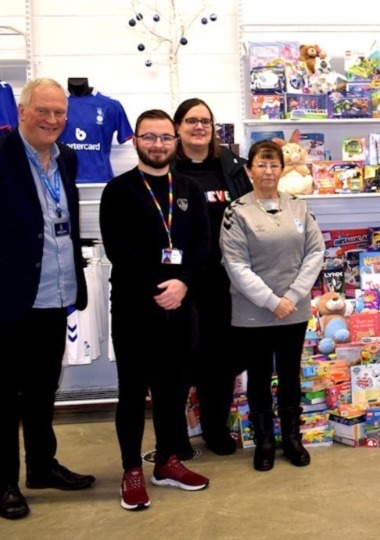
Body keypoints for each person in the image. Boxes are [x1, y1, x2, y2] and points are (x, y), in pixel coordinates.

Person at [100, 109, 211, 511]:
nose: (158, 144)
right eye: (150, 137)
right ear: (135, 140)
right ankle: (132, 469)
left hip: (181, 306)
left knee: (174, 389)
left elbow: (202, 246)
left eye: (165, 137)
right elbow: (119, 251)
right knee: (132, 392)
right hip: (135, 308)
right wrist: (158, 288)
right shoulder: (119, 191)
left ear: (175, 142)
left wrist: (183, 284)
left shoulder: (189, 189)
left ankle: (167, 461)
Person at [0, 78, 95, 521]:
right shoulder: (2, 158)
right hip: (10, 298)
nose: (53, 120)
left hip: (56, 294)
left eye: (60, 113)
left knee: (42, 390)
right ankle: (4, 484)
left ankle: (41, 467)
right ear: (22, 111)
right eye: (44, 111)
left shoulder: (67, 160)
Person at [220, 140, 325, 472]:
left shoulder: (300, 208)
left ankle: (293, 439)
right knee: (260, 377)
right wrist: (270, 301)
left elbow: (315, 253)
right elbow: (235, 265)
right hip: (254, 313)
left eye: (274, 165)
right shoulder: (236, 212)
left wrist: (291, 298)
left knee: (290, 375)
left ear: (283, 169)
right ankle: (264, 441)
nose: (267, 171)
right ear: (249, 170)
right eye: (261, 165)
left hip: (294, 310)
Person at [172, 97, 252, 456]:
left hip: (225, 281)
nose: (199, 127)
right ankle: (175, 437)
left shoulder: (231, 167)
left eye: (205, 121)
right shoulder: (167, 167)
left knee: (220, 361)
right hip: (181, 282)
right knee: (180, 360)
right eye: (191, 121)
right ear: (178, 127)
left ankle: (216, 430)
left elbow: (251, 215)